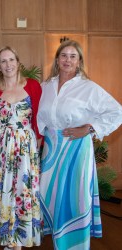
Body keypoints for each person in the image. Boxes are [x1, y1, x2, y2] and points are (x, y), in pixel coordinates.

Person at [37, 40, 122, 250]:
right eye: (63, 55)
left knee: (75, 198)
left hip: (76, 150)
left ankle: (74, 245)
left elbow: (117, 111)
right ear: (57, 59)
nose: (67, 60)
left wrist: (90, 128)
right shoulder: (45, 86)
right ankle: (57, 240)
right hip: (50, 151)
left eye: (73, 56)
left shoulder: (88, 88)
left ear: (79, 61)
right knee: (50, 196)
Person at [0, 47, 43, 249]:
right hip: (0, 149)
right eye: (3, 61)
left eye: (11, 60)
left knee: (22, 191)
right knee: (1, 189)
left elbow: (39, 119)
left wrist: (38, 148)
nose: (8, 65)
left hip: (25, 148)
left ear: (18, 62)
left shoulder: (33, 86)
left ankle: (17, 239)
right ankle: (6, 236)